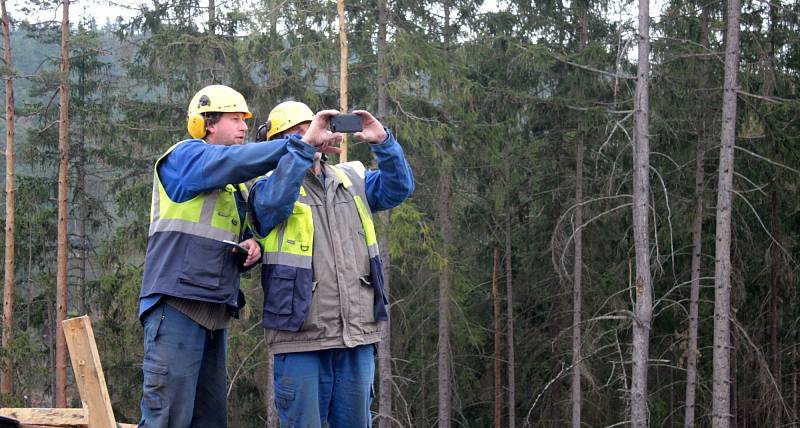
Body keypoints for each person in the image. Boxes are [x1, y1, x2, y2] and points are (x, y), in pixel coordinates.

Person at [138, 86, 342, 428]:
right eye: (234, 119)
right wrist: (298, 143)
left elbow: (248, 221)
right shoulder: (183, 157)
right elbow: (227, 163)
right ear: (205, 124)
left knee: (210, 421)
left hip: (215, 313)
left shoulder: (237, 187)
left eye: (245, 120)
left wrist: (251, 246)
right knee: (167, 418)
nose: (244, 127)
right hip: (175, 306)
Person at [249, 101, 414, 427]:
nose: (309, 137)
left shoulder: (351, 179)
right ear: (277, 142)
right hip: (300, 339)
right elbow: (271, 207)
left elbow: (399, 187)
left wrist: (383, 141)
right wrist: (302, 150)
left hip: (356, 336)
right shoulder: (266, 185)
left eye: (311, 129)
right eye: (296, 134)